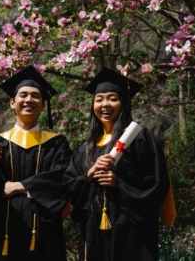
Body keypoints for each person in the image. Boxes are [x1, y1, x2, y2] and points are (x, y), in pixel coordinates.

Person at [63, 67, 176, 261]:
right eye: (99, 99)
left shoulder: (139, 138)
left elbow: (158, 182)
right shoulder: (85, 149)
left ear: (124, 102)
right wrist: (89, 175)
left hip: (130, 231)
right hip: (93, 231)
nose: (105, 104)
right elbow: (68, 187)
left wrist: (120, 181)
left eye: (112, 98)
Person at [0, 66, 73, 261]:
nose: (29, 100)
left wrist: (19, 186)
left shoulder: (56, 143)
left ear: (43, 105)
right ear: (12, 102)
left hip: (43, 233)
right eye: (23, 95)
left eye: (36, 96)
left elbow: (61, 179)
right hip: (0, 233)